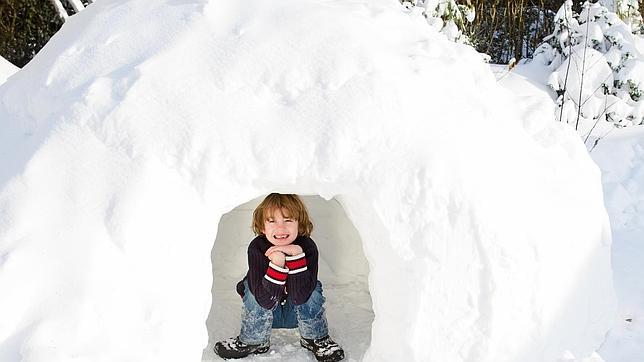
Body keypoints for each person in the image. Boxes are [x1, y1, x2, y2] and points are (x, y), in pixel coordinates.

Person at [214, 193, 345, 361]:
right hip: (267, 316)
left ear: (300, 224)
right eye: (272, 221)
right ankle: (254, 340)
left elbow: (300, 297)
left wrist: (296, 256)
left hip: (297, 316)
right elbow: (265, 300)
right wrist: (277, 263)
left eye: (288, 220)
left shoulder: (307, 247)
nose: (281, 228)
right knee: (250, 285)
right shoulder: (257, 248)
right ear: (262, 227)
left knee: (313, 287)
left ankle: (315, 337)